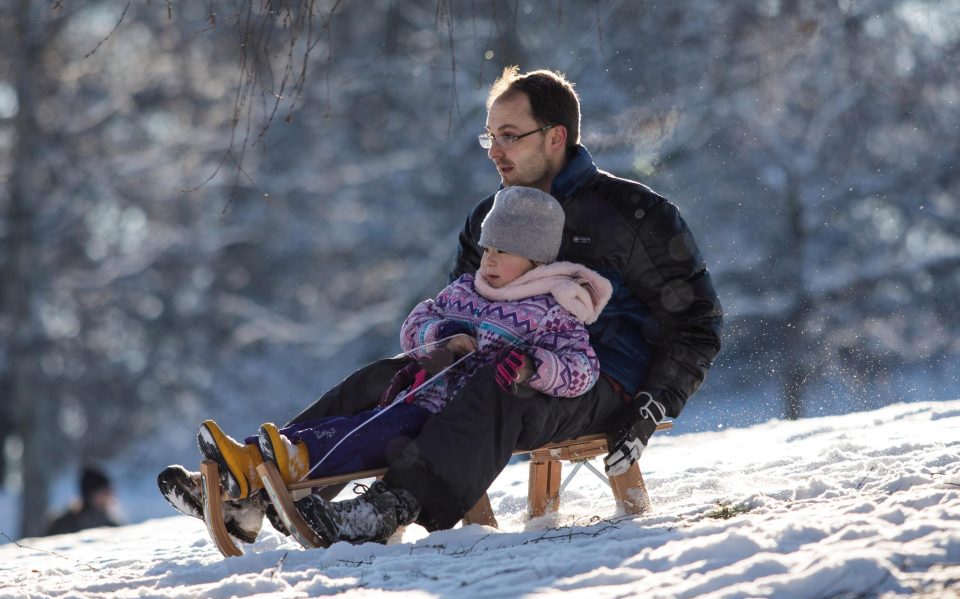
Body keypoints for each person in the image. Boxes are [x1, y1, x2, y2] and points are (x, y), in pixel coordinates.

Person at [266, 66, 722, 544]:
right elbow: (458, 304)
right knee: (390, 375)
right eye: (490, 137)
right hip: (490, 371)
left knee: (501, 380)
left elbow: (696, 322)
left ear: (554, 137)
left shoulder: (634, 214)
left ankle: (388, 508)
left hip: (597, 379)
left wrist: (650, 407)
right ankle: (269, 478)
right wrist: (441, 342)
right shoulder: (489, 216)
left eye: (509, 135)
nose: (495, 151)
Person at [159, 186, 614, 544]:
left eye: (503, 251)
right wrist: (440, 338)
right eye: (488, 247)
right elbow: (416, 323)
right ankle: (250, 484)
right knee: (374, 377)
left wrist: (534, 368)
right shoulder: (465, 291)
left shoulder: (554, 309)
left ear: (536, 260)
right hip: (421, 394)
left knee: (366, 432)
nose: (489, 258)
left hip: (463, 415)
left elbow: (582, 369)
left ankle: (376, 508)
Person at [45, 466, 121, 535]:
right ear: (90, 494)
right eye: (103, 491)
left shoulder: (111, 524)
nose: (109, 495)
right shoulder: (63, 524)